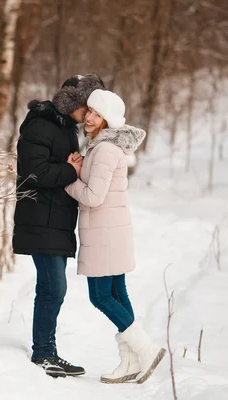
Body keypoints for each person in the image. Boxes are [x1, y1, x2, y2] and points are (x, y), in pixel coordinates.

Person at [65, 89, 166, 384]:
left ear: (108, 120)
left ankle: (146, 350)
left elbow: (94, 197)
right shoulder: (102, 147)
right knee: (118, 294)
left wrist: (69, 179)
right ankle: (130, 361)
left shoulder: (106, 150)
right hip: (110, 229)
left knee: (101, 296)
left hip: (105, 232)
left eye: (97, 114)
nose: (90, 118)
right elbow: (101, 186)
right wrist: (82, 168)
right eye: (90, 112)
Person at [13, 74, 105, 378]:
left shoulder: (65, 128)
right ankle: (44, 354)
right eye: (88, 106)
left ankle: (45, 351)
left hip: (55, 220)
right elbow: (33, 173)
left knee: (51, 288)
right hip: (41, 218)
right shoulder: (41, 125)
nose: (90, 113)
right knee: (54, 288)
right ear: (75, 101)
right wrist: (70, 169)